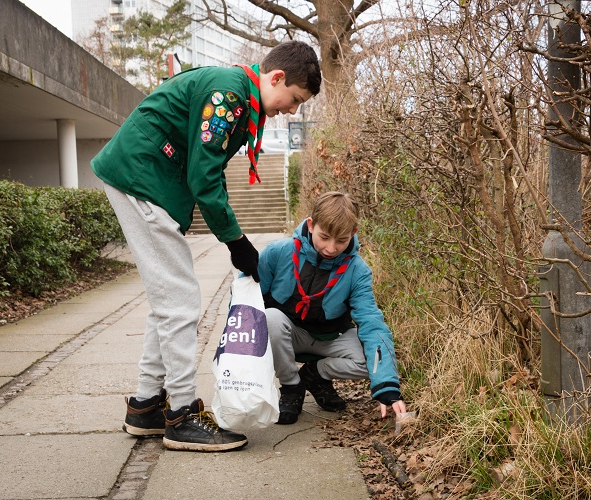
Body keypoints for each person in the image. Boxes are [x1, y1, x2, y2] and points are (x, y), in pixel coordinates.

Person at [91, 41, 321, 451]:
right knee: (180, 301)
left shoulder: (235, 92)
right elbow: (203, 177)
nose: (292, 110)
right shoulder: (229, 94)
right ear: (277, 78)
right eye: (295, 100)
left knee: (169, 298)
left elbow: (205, 167)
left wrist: (235, 238)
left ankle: (146, 405)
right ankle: (181, 415)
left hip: (147, 179)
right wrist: (235, 240)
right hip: (141, 178)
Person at [256, 191, 407, 424]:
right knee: (270, 317)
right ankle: (291, 386)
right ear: (311, 224)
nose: (331, 248)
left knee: (371, 362)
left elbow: (371, 322)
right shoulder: (278, 253)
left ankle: (315, 374)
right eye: (324, 237)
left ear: (353, 234)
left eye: (341, 240)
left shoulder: (358, 270)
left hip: (331, 337)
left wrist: (388, 387)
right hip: (288, 334)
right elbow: (247, 299)